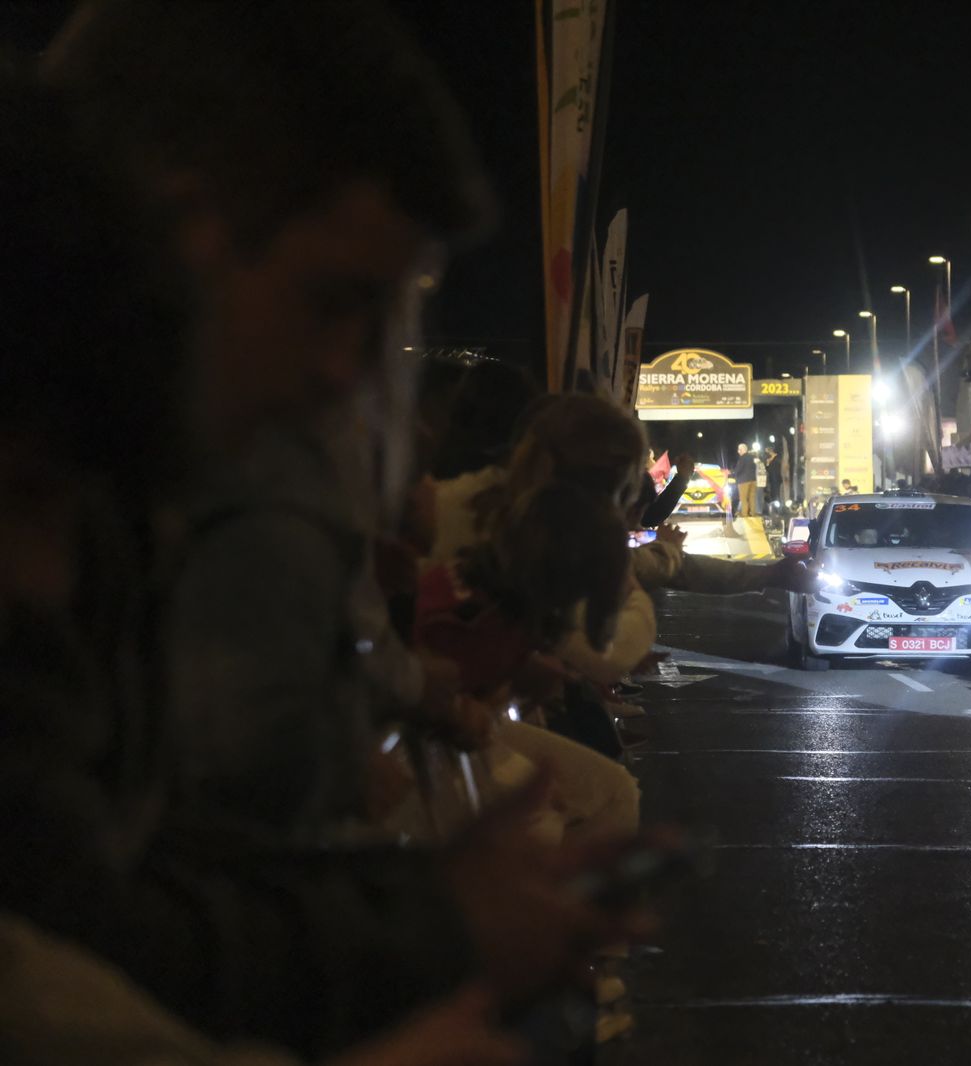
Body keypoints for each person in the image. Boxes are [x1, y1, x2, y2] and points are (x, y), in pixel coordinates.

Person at [41, 1, 643, 1054]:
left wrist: (432, 915)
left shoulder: (122, 491)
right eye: (332, 302)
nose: (350, 374)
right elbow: (81, 921)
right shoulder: (196, 497)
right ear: (182, 234)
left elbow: (107, 880)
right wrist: (429, 932)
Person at [732, 441, 758, 518]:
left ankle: (745, 514)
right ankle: (753, 514)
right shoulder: (753, 457)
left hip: (743, 481)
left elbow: (738, 470)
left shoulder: (742, 458)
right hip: (753, 480)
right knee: (752, 498)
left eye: (739, 449)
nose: (738, 451)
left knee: (743, 498)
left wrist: (733, 474)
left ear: (743, 450)